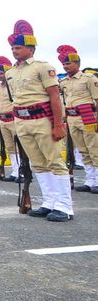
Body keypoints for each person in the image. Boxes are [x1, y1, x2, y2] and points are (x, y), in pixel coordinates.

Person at [5, 20, 72, 221]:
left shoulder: (43, 67)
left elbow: (54, 96)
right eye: (13, 48)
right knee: (38, 163)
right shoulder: (10, 72)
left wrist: (58, 124)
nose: (15, 51)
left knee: (55, 162)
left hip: (43, 119)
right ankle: (49, 202)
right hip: (22, 120)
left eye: (19, 47)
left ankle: (64, 207)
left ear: (30, 48)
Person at [57, 45, 98, 194]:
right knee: (82, 150)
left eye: (68, 63)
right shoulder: (63, 82)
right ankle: (90, 181)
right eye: (64, 64)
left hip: (88, 116)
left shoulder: (89, 78)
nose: (66, 66)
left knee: (94, 149)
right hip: (72, 118)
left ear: (77, 64)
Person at [0, 56, 21, 182]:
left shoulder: (13, 85)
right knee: (10, 147)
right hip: (3, 120)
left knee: (19, 145)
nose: (0, 75)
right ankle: (15, 171)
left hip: (13, 118)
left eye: (2, 73)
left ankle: (22, 170)